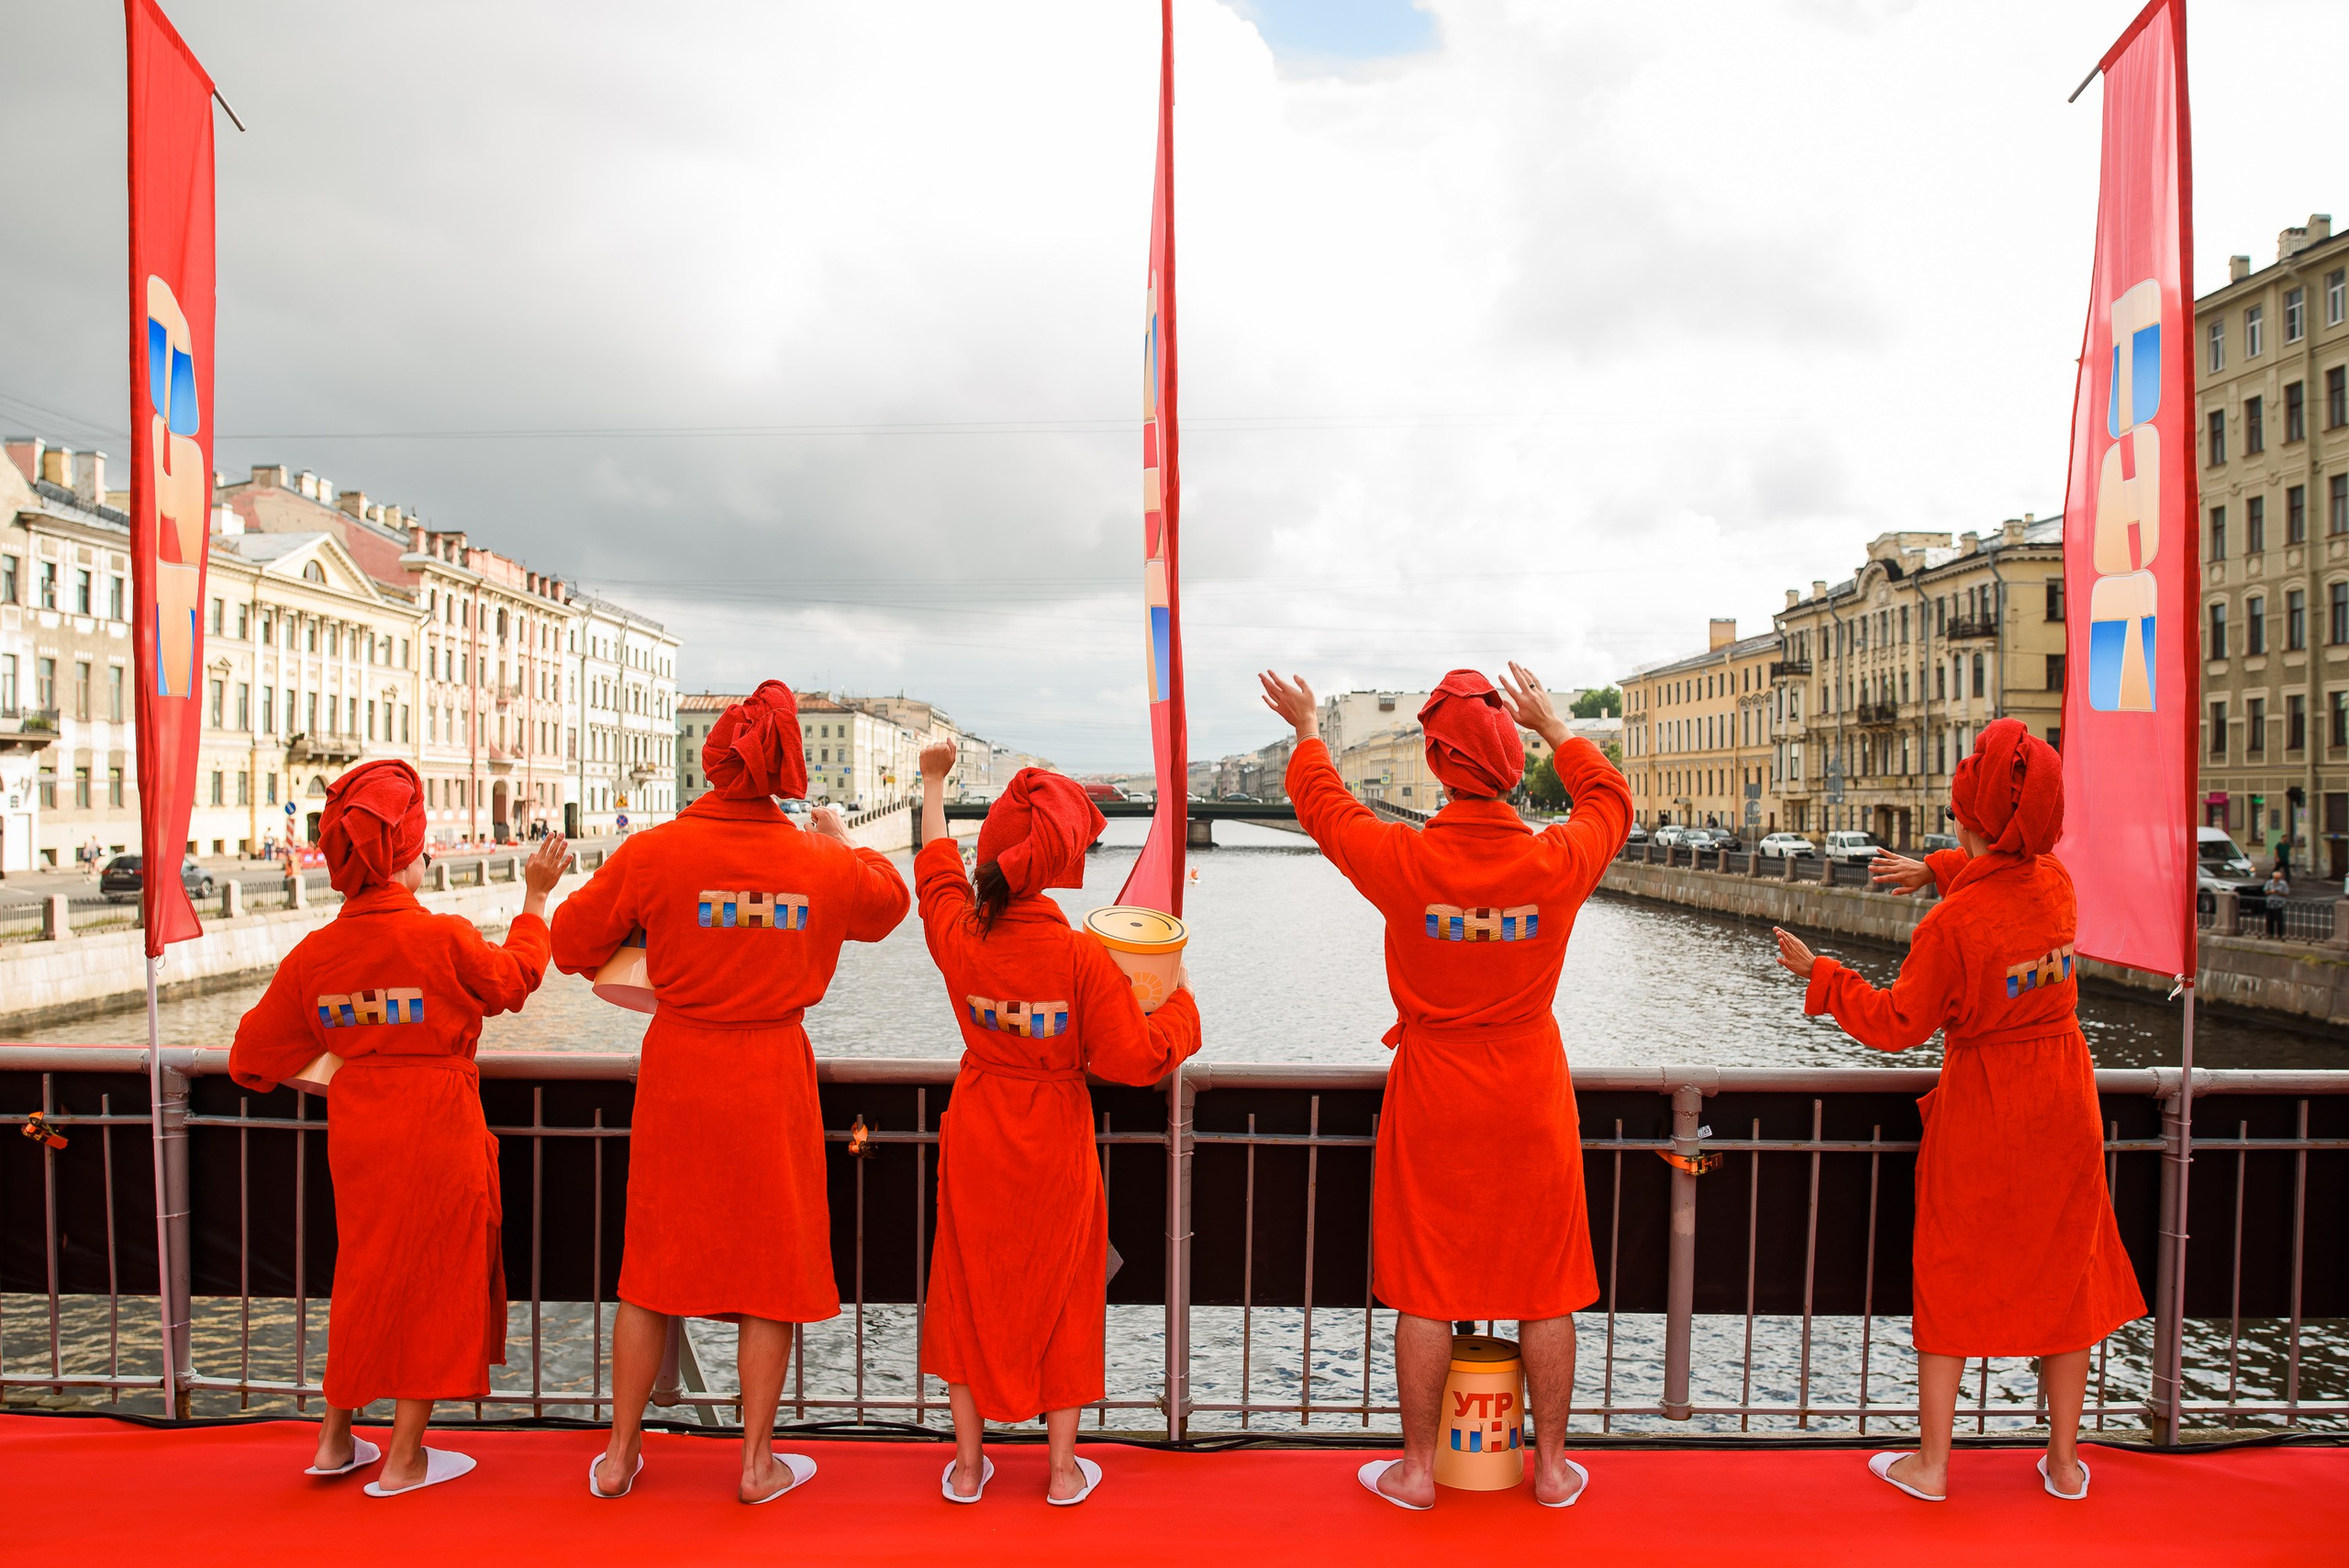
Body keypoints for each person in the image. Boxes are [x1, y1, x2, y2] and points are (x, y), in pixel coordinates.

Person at [1258, 663, 1631, 1510]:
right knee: (1546, 1284)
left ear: (1435, 763)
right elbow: (1612, 802)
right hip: (1530, 1091)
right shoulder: (1555, 861)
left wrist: (1309, 728)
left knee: (1427, 1283)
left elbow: (1324, 807)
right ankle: (1553, 1468)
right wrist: (1559, 729)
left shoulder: (1405, 860)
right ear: (1512, 768)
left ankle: (1419, 1470)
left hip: (1434, 1093)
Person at [551, 679, 909, 1505]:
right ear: (787, 767)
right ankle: (755, 1462)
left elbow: (569, 942)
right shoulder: (818, 861)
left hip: (679, 1071)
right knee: (768, 1270)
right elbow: (890, 906)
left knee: (651, 1266)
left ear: (714, 761)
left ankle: (618, 1455)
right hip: (771, 1074)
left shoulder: (656, 851)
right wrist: (839, 838)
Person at [1772, 718, 2143, 1504]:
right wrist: (1938, 867)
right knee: (2067, 1270)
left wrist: (1822, 974)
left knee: (1952, 1267)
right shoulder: (2058, 885)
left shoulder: (1953, 926)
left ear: (1969, 815)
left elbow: (1897, 1022)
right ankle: (2065, 1462)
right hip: (2064, 1097)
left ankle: (1933, 1465)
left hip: (1987, 1105)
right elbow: (2004, 877)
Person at [228, 760, 568, 1497]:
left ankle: (334, 1439)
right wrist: (536, 897)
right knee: (436, 1278)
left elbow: (250, 1058)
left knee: (365, 1273)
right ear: (407, 854)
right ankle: (405, 1457)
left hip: (361, 1132)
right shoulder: (441, 938)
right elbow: (515, 978)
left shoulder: (314, 957)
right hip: (439, 1124)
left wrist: (351, 1058)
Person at [911, 741, 1200, 1506]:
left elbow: (934, 869)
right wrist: (1181, 1004)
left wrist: (935, 782)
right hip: (1056, 1139)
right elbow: (1136, 1058)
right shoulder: (1081, 958)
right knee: (1067, 1289)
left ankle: (968, 1467)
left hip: (979, 1128)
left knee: (968, 1287)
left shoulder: (961, 932)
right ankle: (1064, 1468)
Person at [2263, 865, 2290, 939]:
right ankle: (2269, 934)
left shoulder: (2283, 884)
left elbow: (2286, 893)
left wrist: (2279, 893)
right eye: (2275, 878)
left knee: (2279, 920)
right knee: (2269, 920)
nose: (2276, 880)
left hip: (2279, 904)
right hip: (2270, 903)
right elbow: (2265, 892)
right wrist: (2271, 892)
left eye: (2278, 878)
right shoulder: (2269, 883)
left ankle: (2279, 934)